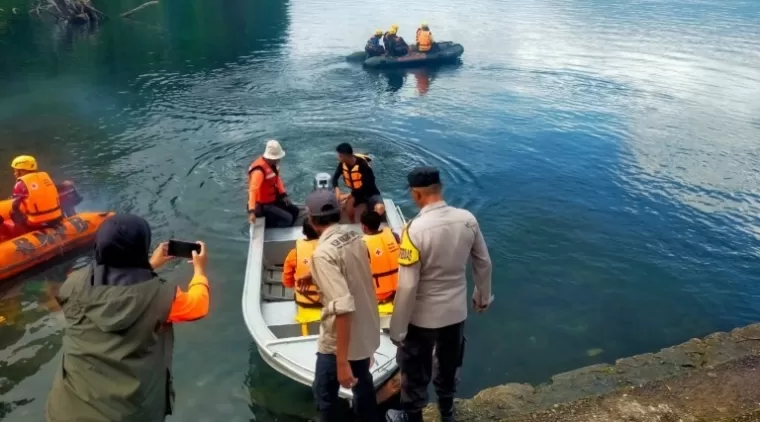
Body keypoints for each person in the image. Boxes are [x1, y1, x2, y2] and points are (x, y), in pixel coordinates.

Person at [45, 214, 211, 422]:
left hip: (66, 411)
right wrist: (200, 270)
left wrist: (150, 265)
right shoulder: (162, 296)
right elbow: (198, 306)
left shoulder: (74, 284)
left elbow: (114, 294)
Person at [385, 167, 493, 422]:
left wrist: (398, 329)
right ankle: (447, 414)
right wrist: (483, 295)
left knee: (415, 370)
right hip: (455, 313)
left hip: (422, 319)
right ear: (441, 187)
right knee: (448, 364)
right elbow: (484, 263)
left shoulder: (413, 231)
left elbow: (408, 286)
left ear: (416, 194)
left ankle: (412, 418)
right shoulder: (467, 219)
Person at [304, 189, 380, 422]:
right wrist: (314, 274)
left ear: (311, 220)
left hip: (338, 341)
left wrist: (341, 362)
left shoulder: (323, 254)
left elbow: (343, 308)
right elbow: (352, 270)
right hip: (365, 328)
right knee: (363, 385)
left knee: (325, 395)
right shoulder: (354, 236)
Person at [0, 155, 62, 241]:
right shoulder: (45, 177)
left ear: (21, 171)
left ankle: (24, 235)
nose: (14, 173)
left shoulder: (20, 184)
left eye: (15, 171)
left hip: (36, 223)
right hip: (57, 218)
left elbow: (15, 206)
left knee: (13, 213)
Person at [247, 140, 300, 228]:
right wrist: (251, 211)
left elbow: (277, 179)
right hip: (263, 205)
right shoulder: (259, 171)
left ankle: (276, 216)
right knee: (288, 219)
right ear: (270, 157)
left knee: (295, 211)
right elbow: (253, 190)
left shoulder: (273, 165)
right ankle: (268, 224)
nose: (279, 160)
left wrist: (283, 194)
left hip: (273, 199)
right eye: (276, 158)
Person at [331, 142, 384, 223]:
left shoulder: (363, 165)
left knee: (379, 208)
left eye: (340, 156)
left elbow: (367, 186)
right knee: (347, 208)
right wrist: (337, 189)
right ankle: (353, 224)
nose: (338, 158)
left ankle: (373, 226)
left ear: (346, 156)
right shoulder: (342, 164)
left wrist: (347, 195)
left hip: (371, 193)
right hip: (357, 193)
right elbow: (335, 178)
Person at [360, 210, 400, 303]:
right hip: (399, 289)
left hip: (380, 294)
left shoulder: (363, 245)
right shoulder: (394, 236)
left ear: (364, 227)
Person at [281, 220, 321, 306]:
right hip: (330, 300)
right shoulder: (332, 250)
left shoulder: (293, 254)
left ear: (304, 232)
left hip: (303, 301)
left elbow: (287, 282)